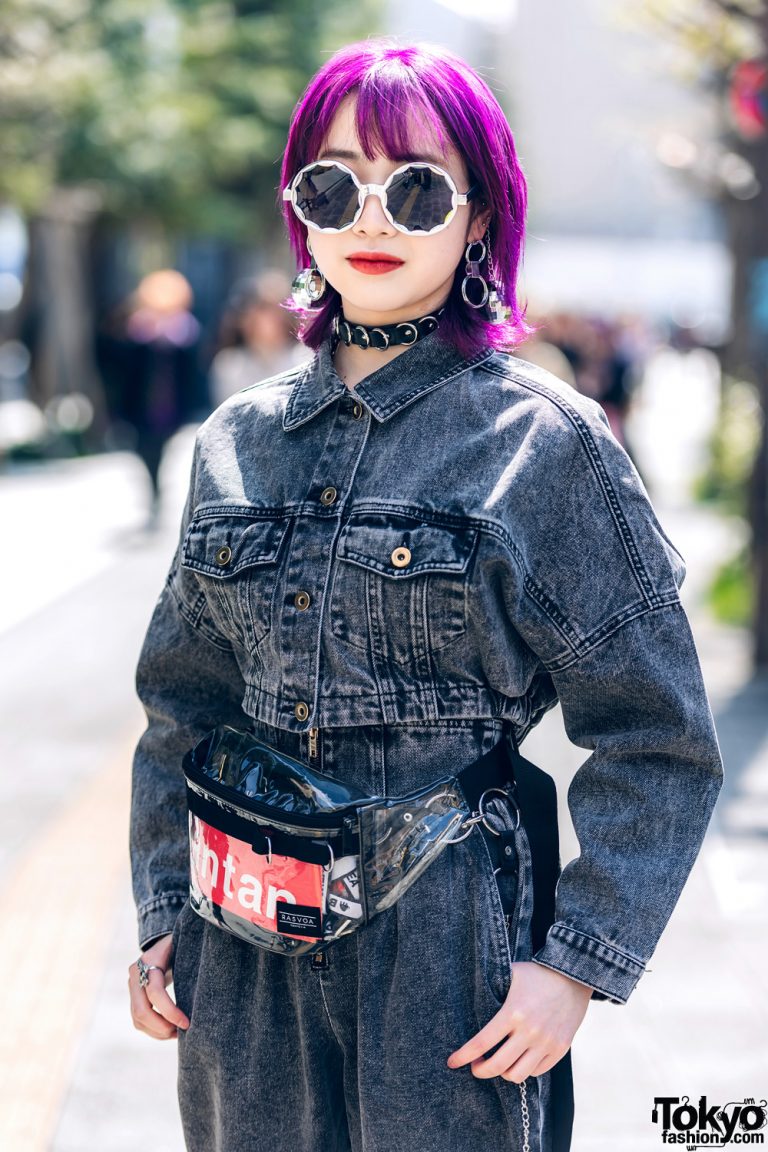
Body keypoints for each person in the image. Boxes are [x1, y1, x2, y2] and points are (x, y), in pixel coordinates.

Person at [127, 40, 723, 1152]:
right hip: (239, 961)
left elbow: (659, 733)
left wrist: (576, 966)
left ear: (481, 215)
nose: (372, 217)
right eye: (332, 184)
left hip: (451, 965)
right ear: (298, 210)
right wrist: (165, 915)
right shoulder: (234, 443)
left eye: (415, 187)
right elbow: (183, 710)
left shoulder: (544, 446)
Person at [208, 270, 311, 407]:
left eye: (279, 307)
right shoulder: (230, 364)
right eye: (264, 308)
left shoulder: (304, 358)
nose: (273, 316)